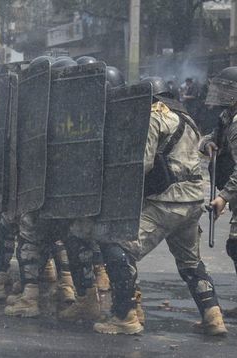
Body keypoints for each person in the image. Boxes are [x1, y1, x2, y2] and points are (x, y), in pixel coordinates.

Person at [94, 77, 226, 336]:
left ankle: (125, 316)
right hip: (192, 200)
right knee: (191, 262)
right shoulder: (187, 118)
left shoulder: (153, 117)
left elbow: (142, 164)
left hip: (166, 200)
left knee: (117, 246)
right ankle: (213, 316)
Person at [201, 66, 237, 318]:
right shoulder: (227, 117)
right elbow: (209, 139)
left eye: (226, 89)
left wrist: (224, 196)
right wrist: (208, 144)